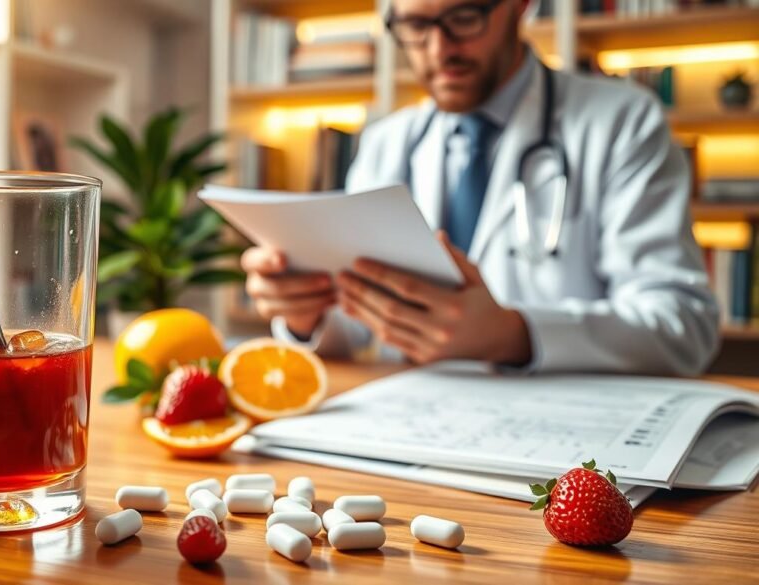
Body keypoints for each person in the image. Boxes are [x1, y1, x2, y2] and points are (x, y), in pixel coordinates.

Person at [240, 0, 720, 375]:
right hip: (409, 430)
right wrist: (306, 314)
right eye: (415, 26)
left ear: (520, 5)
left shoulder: (621, 121)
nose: (439, 49)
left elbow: (682, 326)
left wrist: (515, 335)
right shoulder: (387, 142)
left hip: (565, 442)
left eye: (464, 16)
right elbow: (358, 325)